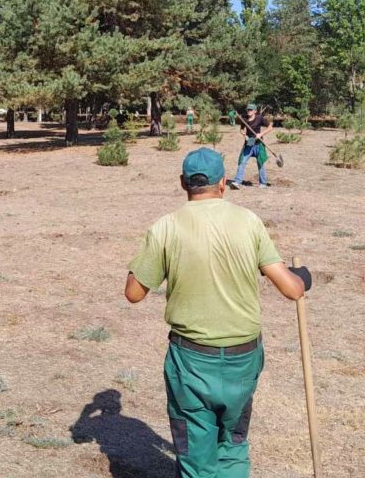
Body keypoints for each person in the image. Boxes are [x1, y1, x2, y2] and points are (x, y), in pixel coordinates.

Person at [124, 148, 310, 478]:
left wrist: (142, 265)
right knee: (233, 445)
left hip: (191, 363)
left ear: (183, 183)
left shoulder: (165, 227)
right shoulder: (249, 222)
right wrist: (303, 278)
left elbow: (134, 293)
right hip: (243, 359)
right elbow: (291, 289)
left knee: (197, 458)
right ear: (223, 183)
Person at [229, 104, 273, 189]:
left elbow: (270, 127)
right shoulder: (244, 118)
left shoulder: (259, 118)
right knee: (242, 162)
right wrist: (244, 135)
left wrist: (261, 134)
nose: (249, 111)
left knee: (260, 163)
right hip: (249, 143)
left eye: (251, 110)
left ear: (255, 111)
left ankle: (263, 183)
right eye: (248, 109)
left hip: (258, 144)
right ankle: (237, 182)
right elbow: (241, 130)